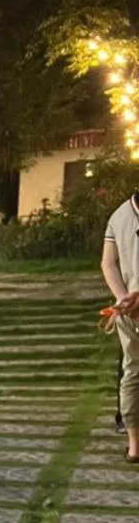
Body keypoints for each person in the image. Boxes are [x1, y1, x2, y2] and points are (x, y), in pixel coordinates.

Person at [102, 191, 139, 458]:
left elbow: (108, 264)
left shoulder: (118, 215)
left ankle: (135, 445)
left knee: (132, 373)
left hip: (128, 308)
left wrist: (121, 297)